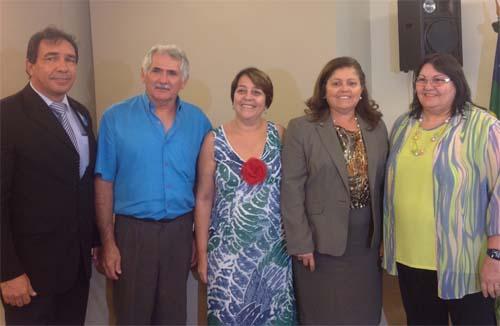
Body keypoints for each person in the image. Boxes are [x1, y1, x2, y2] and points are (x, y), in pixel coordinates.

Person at [95, 44, 211, 325]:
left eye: (172, 73)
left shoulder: (199, 121)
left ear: (183, 80)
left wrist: (197, 237)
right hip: (132, 234)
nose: (163, 79)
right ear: (143, 74)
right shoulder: (115, 118)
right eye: (156, 70)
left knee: (173, 316)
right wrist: (107, 242)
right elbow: (103, 182)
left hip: (180, 233)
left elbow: (205, 188)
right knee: (132, 315)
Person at [382, 53, 500, 325]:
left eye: (438, 79)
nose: (428, 86)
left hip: (465, 260)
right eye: (421, 79)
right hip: (411, 257)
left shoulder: (484, 126)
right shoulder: (403, 125)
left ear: (456, 83)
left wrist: (495, 255)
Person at [0, 26, 98, 325]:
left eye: (70, 59)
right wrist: (7, 272)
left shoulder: (80, 113)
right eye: (51, 58)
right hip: (29, 274)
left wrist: (93, 240)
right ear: (30, 65)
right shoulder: (7, 115)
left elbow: (81, 185)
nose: (62, 67)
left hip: (75, 267)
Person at [281, 57, 388, 324]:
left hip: (366, 243)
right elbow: (291, 189)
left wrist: (388, 236)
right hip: (319, 244)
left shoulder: (376, 127)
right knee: (323, 314)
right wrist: (300, 242)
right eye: (336, 83)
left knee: (364, 313)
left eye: (352, 83)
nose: (344, 89)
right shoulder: (301, 129)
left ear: (362, 89)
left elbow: (385, 185)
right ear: (324, 88)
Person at [195, 67, 296, 325]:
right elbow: (204, 198)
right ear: (233, 96)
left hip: (274, 256)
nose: (248, 97)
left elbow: (293, 191)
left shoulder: (280, 135)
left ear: (267, 100)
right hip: (227, 261)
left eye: (257, 92)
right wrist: (203, 253)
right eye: (241, 90)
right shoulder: (213, 140)